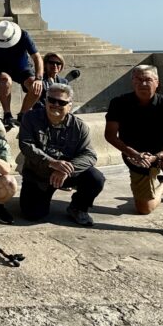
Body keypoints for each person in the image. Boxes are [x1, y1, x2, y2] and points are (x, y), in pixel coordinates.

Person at [105, 65, 163, 243]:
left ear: (157, 82)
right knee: (144, 209)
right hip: (135, 158)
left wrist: (157, 156)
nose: (143, 83)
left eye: (148, 79)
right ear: (132, 82)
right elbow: (110, 135)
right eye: (138, 79)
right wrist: (132, 153)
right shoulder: (118, 103)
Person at [19, 83, 104, 225]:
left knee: (95, 178)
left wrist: (67, 169)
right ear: (45, 101)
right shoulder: (30, 118)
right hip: (39, 176)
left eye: (62, 102)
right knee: (32, 215)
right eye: (52, 100)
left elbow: (90, 155)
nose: (56, 105)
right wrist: (52, 163)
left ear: (69, 105)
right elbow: (26, 146)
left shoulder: (79, 126)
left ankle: (78, 208)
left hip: (65, 175)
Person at [0, 20, 43, 130]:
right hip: (0, 69)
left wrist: (38, 79)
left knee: (35, 85)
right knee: (5, 80)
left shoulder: (24, 36)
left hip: (22, 67)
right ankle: (7, 113)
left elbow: (37, 57)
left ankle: (23, 113)